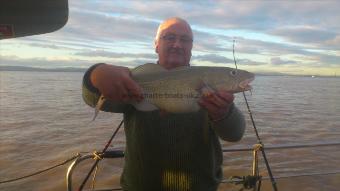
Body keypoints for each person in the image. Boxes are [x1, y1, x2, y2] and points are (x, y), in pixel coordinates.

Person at [82, 17, 246, 191]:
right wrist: (95, 74)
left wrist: (223, 113)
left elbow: (235, 134)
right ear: (156, 45)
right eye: (169, 37)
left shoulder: (209, 87)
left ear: (191, 47)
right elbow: (92, 98)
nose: (177, 44)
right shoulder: (133, 80)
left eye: (185, 40)